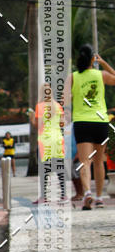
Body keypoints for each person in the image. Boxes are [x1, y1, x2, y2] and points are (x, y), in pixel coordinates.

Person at [64, 45, 115, 210]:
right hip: (100, 122)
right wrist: (104, 63)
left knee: (85, 161)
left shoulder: (72, 77)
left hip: (82, 122)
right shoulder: (101, 75)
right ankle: (99, 197)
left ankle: (87, 193)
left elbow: (63, 100)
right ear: (93, 59)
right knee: (99, 162)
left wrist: (74, 96)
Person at [31, 85, 66, 204]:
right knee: (59, 168)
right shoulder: (58, 106)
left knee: (44, 169)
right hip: (57, 140)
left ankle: (44, 196)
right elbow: (62, 124)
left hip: (44, 141)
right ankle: (63, 195)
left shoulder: (39, 107)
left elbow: (38, 125)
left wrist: (31, 119)